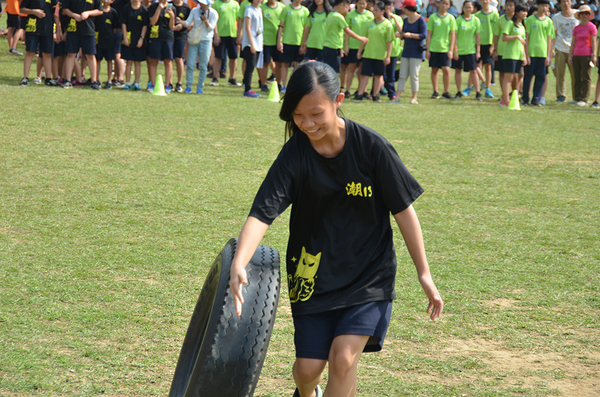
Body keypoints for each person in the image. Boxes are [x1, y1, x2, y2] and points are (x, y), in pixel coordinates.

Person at [229, 61, 443, 397]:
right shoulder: (295, 154)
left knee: (343, 359)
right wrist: (240, 261)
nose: (307, 124)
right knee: (307, 370)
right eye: (298, 116)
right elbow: (263, 212)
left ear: (338, 100)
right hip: (312, 275)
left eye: (316, 113)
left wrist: (424, 274)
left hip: (368, 275)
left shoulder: (372, 148)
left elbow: (404, 212)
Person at [354, 1, 394, 102]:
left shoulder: (387, 25)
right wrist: (360, 51)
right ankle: (360, 94)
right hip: (368, 54)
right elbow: (364, 39)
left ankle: (375, 95)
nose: (374, 12)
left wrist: (388, 56)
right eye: (373, 10)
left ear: (382, 11)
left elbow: (389, 42)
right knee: (364, 75)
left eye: (376, 11)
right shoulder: (369, 23)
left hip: (380, 55)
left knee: (378, 75)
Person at [61, 0, 103, 89]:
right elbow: (64, 10)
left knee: (90, 55)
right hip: (73, 29)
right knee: (71, 54)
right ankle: (67, 80)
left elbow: (100, 10)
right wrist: (73, 15)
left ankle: (94, 81)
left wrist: (88, 13)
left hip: (88, 30)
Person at [19, 0, 60, 86]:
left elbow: (55, 13)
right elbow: (22, 9)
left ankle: (48, 79)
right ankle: (25, 78)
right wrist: (33, 11)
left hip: (47, 28)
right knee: (30, 52)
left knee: (47, 53)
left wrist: (57, 30)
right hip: (33, 27)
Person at [322, 0, 368, 76]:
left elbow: (335, 32)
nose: (346, 10)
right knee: (333, 72)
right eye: (346, 7)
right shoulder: (339, 17)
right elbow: (348, 31)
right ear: (341, 5)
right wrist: (361, 38)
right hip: (334, 47)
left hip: (327, 46)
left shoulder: (330, 15)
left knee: (328, 70)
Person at [393, 0, 427, 104]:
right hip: (406, 51)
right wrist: (401, 35)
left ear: (410, 9)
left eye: (405, 8)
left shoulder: (421, 20)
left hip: (416, 52)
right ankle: (397, 98)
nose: (403, 11)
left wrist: (411, 35)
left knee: (414, 75)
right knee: (402, 75)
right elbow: (404, 34)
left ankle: (414, 97)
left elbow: (423, 35)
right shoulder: (406, 20)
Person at [522, 0, 555, 106]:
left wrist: (548, 55)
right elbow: (526, 38)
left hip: (542, 54)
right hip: (531, 53)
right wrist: (526, 55)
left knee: (540, 77)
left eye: (546, 6)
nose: (545, 8)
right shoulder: (530, 20)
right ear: (538, 6)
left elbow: (549, 39)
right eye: (542, 6)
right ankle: (525, 98)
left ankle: (536, 98)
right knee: (528, 77)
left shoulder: (548, 21)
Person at [183, 0, 218, 94]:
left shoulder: (214, 13)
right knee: (190, 63)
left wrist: (205, 20)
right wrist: (181, 23)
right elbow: (188, 22)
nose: (201, 4)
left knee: (203, 65)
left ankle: (200, 87)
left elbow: (211, 28)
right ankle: (188, 85)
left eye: (203, 3)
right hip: (195, 39)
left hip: (206, 40)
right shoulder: (194, 10)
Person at [341, 0, 373, 98]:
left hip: (365, 46)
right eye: (360, 3)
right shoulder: (351, 15)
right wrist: (346, 46)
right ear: (356, 4)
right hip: (353, 45)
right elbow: (347, 31)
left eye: (364, 3)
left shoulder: (370, 15)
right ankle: (347, 90)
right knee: (351, 68)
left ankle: (362, 90)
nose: (362, 5)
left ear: (366, 4)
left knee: (362, 70)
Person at [426, 0, 457, 99]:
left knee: (446, 70)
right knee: (434, 70)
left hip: (445, 48)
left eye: (446, 4)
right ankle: (435, 91)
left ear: (449, 6)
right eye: (442, 3)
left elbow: (452, 35)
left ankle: (446, 91)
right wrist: (427, 49)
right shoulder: (433, 17)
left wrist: (451, 50)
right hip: (434, 48)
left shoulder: (451, 18)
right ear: (439, 4)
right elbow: (429, 34)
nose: (444, 5)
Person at [277, 0, 310, 92]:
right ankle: (284, 85)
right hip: (287, 41)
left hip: (299, 43)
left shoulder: (305, 11)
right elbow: (281, 26)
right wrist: (279, 41)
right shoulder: (286, 9)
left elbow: (306, 28)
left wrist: (304, 43)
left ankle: (294, 85)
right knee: (285, 64)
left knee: (297, 65)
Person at [568, 4, 597, 106]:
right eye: (582, 13)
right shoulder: (576, 28)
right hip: (576, 54)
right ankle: (577, 97)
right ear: (579, 15)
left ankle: (584, 98)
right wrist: (570, 55)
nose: (584, 15)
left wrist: (593, 55)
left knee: (586, 77)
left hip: (587, 54)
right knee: (577, 76)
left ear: (589, 15)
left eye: (586, 13)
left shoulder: (592, 27)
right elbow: (573, 42)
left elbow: (594, 42)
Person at [500, 0, 528, 107]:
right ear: (517, 12)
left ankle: (512, 98)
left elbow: (523, 43)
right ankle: (505, 99)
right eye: (522, 11)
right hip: (510, 55)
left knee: (516, 77)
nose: (524, 14)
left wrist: (524, 56)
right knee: (508, 77)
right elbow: (504, 37)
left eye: (526, 11)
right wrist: (516, 37)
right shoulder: (511, 23)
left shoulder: (522, 26)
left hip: (519, 55)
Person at [452, 0, 482, 100]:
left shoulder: (476, 20)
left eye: (470, 7)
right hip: (460, 50)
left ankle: (478, 92)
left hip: (471, 50)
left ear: (473, 8)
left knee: (473, 71)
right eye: (466, 7)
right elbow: (454, 36)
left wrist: (478, 51)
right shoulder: (459, 20)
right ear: (463, 8)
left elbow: (477, 37)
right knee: (458, 70)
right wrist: (455, 49)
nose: (468, 9)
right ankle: (459, 91)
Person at [552, 0, 578, 103]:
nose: (566, 3)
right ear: (559, 4)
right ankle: (561, 95)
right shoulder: (556, 17)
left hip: (575, 49)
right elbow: (554, 34)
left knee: (575, 74)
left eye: (568, 1)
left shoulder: (577, 14)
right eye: (563, 2)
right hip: (560, 48)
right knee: (560, 74)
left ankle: (576, 96)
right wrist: (552, 49)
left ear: (571, 2)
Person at [147, 0, 175, 93]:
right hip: (155, 36)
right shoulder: (153, 7)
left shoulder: (172, 7)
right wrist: (159, 8)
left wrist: (172, 16)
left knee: (168, 61)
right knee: (154, 60)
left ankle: (167, 85)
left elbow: (171, 26)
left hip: (168, 37)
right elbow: (152, 22)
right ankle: (153, 84)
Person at [211, 0, 241, 86]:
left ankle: (232, 78)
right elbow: (214, 21)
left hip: (232, 34)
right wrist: (216, 34)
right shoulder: (216, 4)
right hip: (220, 35)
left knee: (233, 57)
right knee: (218, 56)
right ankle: (215, 78)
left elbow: (239, 20)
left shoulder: (235, 4)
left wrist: (239, 35)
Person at [120, 0, 148, 91]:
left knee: (137, 62)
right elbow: (123, 23)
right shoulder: (126, 8)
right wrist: (125, 37)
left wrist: (142, 38)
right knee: (128, 61)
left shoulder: (143, 9)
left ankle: (136, 83)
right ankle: (127, 83)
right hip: (128, 38)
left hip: (138, 39)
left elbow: (145, 25)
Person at [474, 0, 499, 98]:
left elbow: (496, 32)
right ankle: (477, 86)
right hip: (479, 44)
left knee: (488, 66)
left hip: (489, 44)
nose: (485, 1)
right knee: (476, 66)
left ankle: (488, 88)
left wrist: (493, 46)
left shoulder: (495, 15)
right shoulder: (477, 15)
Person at [259, 0, 285, 92]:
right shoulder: (261, 8)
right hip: (265, 41)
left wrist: (281, 40)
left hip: (278, 41)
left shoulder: (282, 7)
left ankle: (278, 84)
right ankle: (263, 84)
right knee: (265, 63)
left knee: (279, 63)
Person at [492, 0, 515, 102]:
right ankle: (504, 94)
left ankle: (515, 93)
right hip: (502, 51)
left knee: (514, 74)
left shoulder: (518, 20)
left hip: (514, 52)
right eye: (507, 5)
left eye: (511, 5)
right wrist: (495, 50)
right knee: (502, 73)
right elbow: (496, 36)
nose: (509, 7)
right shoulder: (500, 20)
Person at [95, 0, 120, 89]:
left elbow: (115, 28)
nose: (105, 1)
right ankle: (96, 79)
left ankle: (109, 80)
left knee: (109, 60)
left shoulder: (113, 12)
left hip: (109, 40)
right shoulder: (98, 11)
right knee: (98, 60)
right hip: (99, 40)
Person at [240, 0, 263, 97]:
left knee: (253, 66)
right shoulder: (249, 9)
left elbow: (260, 27)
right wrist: (252, 44)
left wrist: (261, 42)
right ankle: (247, 89)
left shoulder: (260, 10)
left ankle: (249, 88)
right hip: (250, 43)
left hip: (258, 43)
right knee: (250, 66)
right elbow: (247, 28)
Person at [384, 0, 403, 100]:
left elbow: (401, 31)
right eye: (386, 6)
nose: (388, 8)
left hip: (394, 50)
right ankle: (380, 90)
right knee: (382, 73)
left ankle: (391, 93)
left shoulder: (398, 18)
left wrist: (394, 17)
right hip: (382, 50)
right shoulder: (381, 18)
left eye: (390, 6)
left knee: (391, 73)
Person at [173, 0, 192, 92]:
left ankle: (179, 83)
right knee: (168, 59)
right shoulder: (169, 5)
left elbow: (191, 22)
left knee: (179, 58)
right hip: (170, 34)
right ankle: (169, 83)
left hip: (181, 35)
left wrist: (182, 25)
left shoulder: (186, 8)